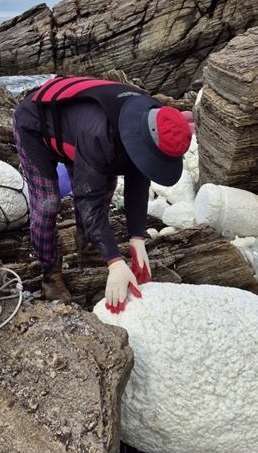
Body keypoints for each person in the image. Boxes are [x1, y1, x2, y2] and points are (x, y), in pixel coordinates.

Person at [12, 76, 192, 313]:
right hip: (35, 125)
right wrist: (116, 262)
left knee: (106, 185)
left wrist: (137, 239)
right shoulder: (99, 135)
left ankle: (88, 251)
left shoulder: (155, 118)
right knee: (48, 203)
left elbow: (138, 179)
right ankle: (50, 274)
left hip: (76, 131)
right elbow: (88, 201)